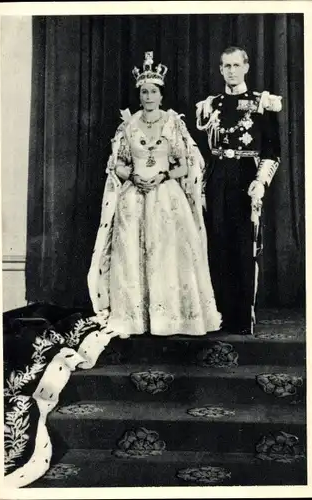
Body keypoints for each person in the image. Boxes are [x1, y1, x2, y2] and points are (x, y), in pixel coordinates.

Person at [88, 51, 222, 337]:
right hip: (133, 198)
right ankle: (135, 319)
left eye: (154, 92)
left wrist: (163, 175)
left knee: (167, 255)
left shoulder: (174, 123)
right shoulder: (127, 126)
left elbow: (185, 165)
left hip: (165, 196)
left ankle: (170, 318)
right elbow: (117, 164)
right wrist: (132, 176)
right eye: (144, 91)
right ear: (140, 95)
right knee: (132, 257)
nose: (149, 96)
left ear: (161, 96)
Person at [196, 46, 282, 335]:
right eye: (226, 66)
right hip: (218, 176)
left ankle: (242, 319)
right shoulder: (212, 105)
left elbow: (272, 151)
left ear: (246, 67)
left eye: (236, 65)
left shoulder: (262, 103)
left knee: (243, 247)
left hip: (246, 178)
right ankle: (218, 316)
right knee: (217, 245)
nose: (231, 71)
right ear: (221, 70)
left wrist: (261, 181)